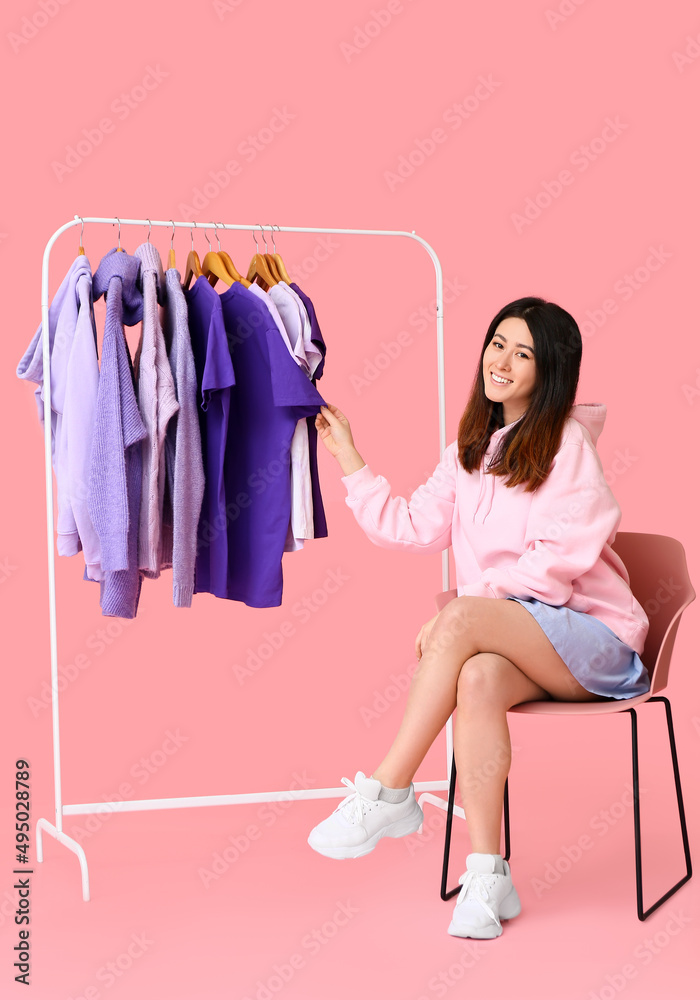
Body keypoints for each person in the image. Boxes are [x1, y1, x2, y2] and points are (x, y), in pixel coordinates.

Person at [306, 296, 650, 939]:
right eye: (498, 343)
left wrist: (464, 616)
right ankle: (489, 875)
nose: (504, 361)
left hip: (597, 641)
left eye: (525, 353)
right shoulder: (467, 454)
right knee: (478, 681)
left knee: (462, 619)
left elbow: (556, 563)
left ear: (550, 372)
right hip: (525, 643)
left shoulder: (567, 444)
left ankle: (390, 791)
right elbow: (409, 528)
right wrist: (348, 453)